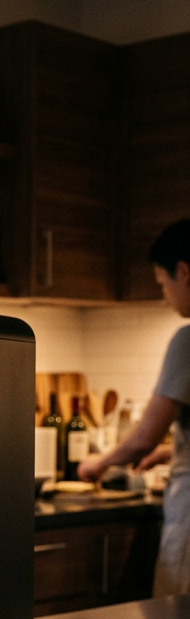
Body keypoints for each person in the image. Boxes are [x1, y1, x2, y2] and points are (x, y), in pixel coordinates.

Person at [78, 220, 190, 596]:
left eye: (162, 283)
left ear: (184, 273)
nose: (164, 295)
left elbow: (143, 437)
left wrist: (100, 462)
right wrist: (170, 452)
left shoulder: (187, 339)